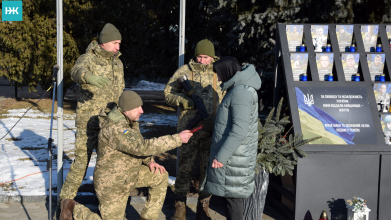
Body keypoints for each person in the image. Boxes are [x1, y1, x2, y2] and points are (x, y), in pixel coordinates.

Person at [59, 91, 194, 220]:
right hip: (112, 185)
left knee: (160, 175)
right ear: (126, 110)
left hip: (130, 175)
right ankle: (72, 208)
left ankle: (147, 218)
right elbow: (141, 147)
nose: (142, 111)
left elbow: (137, 144)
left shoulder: (130, 122)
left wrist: (149, 161)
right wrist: (177, 139)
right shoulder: (116, 129)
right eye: (137, 107)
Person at [56, 23, 125, 215]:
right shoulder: (87, 58)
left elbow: (120, 90)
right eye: (115, 43)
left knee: (109, 167)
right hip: (89, 122)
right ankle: (62, 208)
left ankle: (109, 209)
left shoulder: (118, 63)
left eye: (119, 43)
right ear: (103, 43)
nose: (118, 47)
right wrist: (89, 77)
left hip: (110, 122)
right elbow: (75, 72)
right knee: (80, 165)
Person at [164, 39, 225, 220]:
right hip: (188, 130)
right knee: (184, 168)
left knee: (208, 170)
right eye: (199, 56)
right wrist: (182, 101)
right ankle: (180, 207)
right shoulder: (184, 72)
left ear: (212, 57)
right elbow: (168, 93)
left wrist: (218, 121)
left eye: (205, 57)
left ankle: (203, 206)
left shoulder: (218, 72)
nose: (201, 60)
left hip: (212, 129)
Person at [202, 56, 261, 220]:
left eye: (220, 74)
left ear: (228, 72)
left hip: (234, 159)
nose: (218, 78)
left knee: (233, 202)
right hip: (234, 157)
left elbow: (239, 130)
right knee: (229, 200)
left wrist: (221, 156)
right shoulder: (238, 89)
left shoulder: (241, 93)